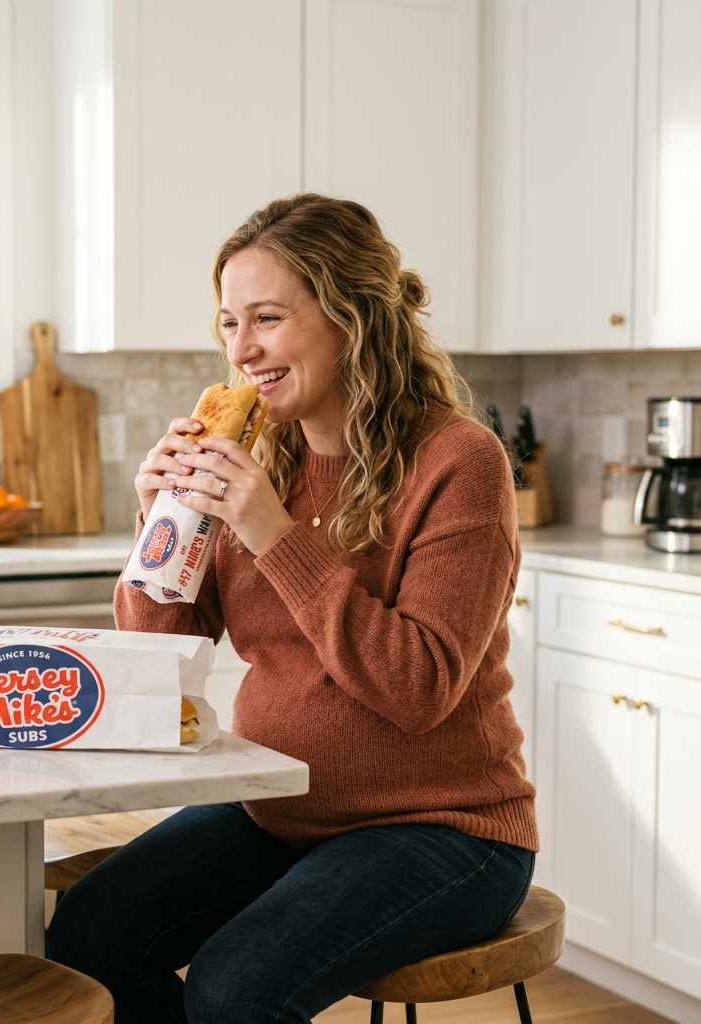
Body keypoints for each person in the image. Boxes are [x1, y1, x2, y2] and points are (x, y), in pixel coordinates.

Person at [46, 194, 538, 1024]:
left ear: (351, 316)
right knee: (87, 943)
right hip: (275, 807)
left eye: (267, 318)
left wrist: (271, 529)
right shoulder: (254, 453)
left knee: (237, 989)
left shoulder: (461, 461)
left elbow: (416, 688)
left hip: (446, 830)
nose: (243, 350)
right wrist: (159, 522)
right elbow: (163, 652)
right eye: (229, 324)